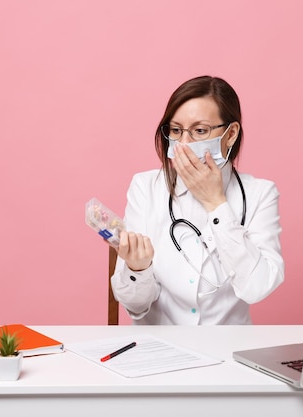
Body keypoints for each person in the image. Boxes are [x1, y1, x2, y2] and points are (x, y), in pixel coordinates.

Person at [110, 75, 284, 325]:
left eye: (200, 131)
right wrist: (138, 269)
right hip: (160, 351)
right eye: (176, 130)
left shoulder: (260, 193)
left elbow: (257, 287)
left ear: (231, 133)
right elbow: (135, 305)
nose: (184, 144)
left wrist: (216, 203)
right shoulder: (146, 188)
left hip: (228, 350)